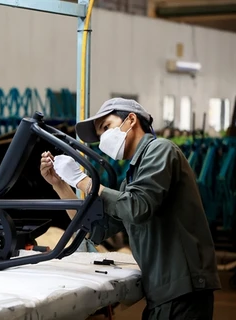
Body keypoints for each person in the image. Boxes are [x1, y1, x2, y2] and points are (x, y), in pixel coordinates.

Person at [40, 98, 221, 319]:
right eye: (100, 135)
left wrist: (84, 181)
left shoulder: (161, 150)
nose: (104, 138)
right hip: (163, 292)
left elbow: (137, 208)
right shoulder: (132, 179)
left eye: (106, 127)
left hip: (182, 289)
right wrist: (60, 185)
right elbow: (95, 229)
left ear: (131, 119)